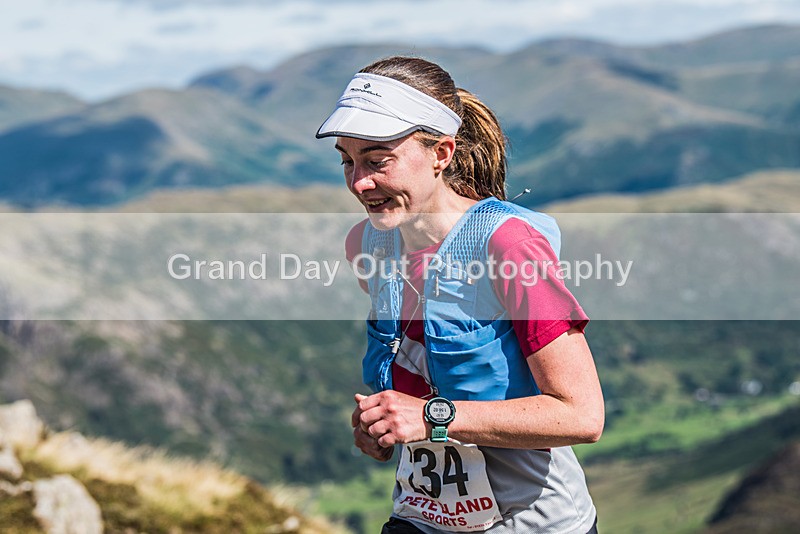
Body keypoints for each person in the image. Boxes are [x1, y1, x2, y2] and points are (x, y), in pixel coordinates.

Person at [316, 56, 604, 534]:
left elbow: (581, 415)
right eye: (347, 160)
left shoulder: (508, 247)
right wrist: (382, 426)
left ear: (441, 153)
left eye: (377, 160)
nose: (359, 183)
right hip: (420, 518)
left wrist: (431, 417)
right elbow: (419, 372)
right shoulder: (367, 245)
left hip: (532, 525)